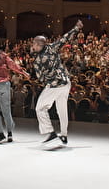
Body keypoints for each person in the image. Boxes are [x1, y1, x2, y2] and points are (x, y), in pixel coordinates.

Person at [31, 20, 83, 148]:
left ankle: (50, 132)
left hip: (54, 85)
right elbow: (65, 38)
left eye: (34, 44)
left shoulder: (37, 60)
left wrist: (41, 78)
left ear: (38, 45)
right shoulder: (53, 47)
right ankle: (63, 134)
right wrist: (76, 28)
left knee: (40, 108)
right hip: (66, 83)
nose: (32, 46)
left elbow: (41, 79)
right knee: (61, 109)